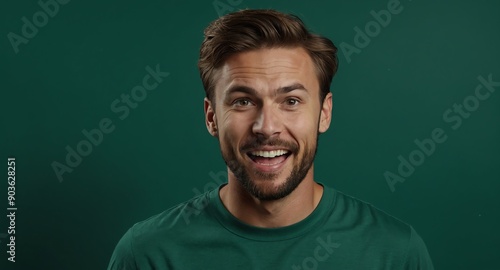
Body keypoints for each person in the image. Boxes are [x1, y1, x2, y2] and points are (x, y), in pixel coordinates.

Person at [107, 9, 434, 270]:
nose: (266, 127)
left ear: (324, 113)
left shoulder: (394, 253)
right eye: (242, 101)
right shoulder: (147, 255)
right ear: (211, 118)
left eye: (291, 101)